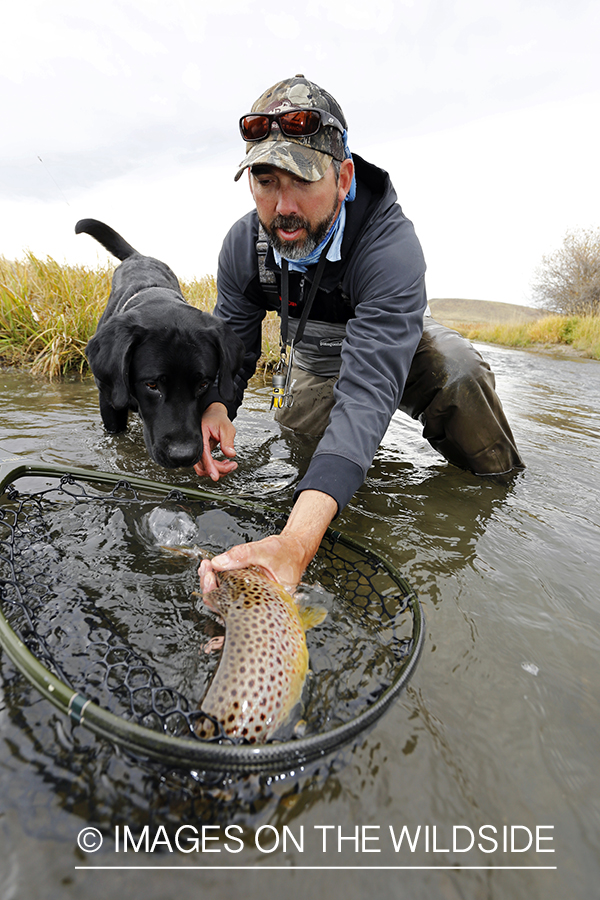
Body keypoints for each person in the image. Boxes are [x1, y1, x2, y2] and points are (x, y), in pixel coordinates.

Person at [195, 74, 524, 591]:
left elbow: (368, 391)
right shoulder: (242, 246)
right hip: (314, 362)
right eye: (265, 180)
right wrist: (216, 406)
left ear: (343, 178)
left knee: (460, 373)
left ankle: (499, 493)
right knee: (309, 467)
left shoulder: (390, 246)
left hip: (397, 347)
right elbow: (232, 349)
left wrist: (295, 545)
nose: (282, 207)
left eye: (302, 180)